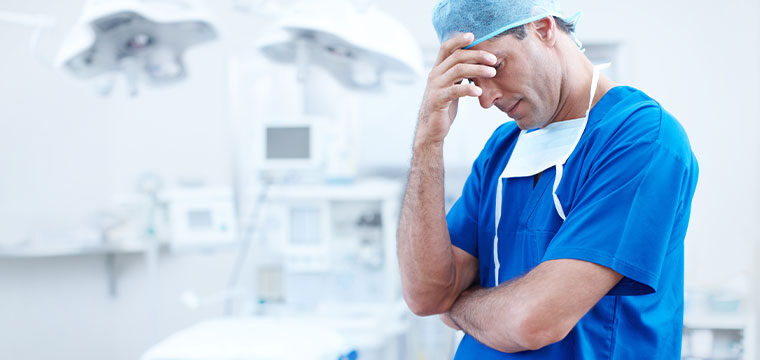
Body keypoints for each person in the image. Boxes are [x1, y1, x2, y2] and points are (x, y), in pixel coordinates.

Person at [396, 0, 699, 358]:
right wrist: (428, 142)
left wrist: (458, 307)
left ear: (543, 28)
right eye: (472, 81)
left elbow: (533, 321)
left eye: (495, 66)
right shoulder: (501, 150)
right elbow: (427, 296)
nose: (486, 98)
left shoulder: (641, 139)